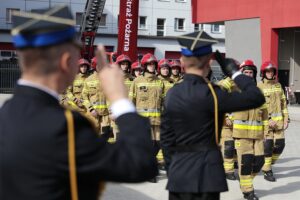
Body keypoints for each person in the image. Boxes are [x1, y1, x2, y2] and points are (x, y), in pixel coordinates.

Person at [0, 6, 157, 200]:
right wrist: (119, 99)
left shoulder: (6, 113)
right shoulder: (65, 126)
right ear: (66, 62)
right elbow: (140, 164)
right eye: (77, 57)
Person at [160, 30, 265, 200]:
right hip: (207, 173)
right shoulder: (214, 95)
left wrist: (175, 168)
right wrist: (235, 73)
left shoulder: (173, 93)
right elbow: (256, 97)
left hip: (179, 173)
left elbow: (166, 139)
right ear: (209, 61)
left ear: (182, 61)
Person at [232, 60, 268, 200]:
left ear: (254, 74)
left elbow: (264, 113)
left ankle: (244, 180)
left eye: (250, 72)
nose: (248, 74)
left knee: (260, 161)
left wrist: (265, 132)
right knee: (246, 163)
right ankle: (248, 191)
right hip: (241, 135)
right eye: (245, 72)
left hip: (258, 134)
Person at [129, 53, 165, 182]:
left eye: (153, 64)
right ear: (145, 66)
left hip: (157, 120)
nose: (151, 66)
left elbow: (164, 101)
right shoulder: (137, 81)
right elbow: (131, 100)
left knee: (158, 144)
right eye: (149, 64)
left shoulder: (160, 82)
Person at [257, 61, 289, 182]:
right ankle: (267, 169)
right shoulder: (259, 87)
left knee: (280, 145)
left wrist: (286, 119)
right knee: (268, 146)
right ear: (263, 72)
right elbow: (259, 107)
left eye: (272, 71)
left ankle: (268, 162)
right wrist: (268, 120)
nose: (270, 73)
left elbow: (283, 103)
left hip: (279, 124)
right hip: (266, 124)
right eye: (267, 71)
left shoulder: (278, 85)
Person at [81, 56, 112, 139]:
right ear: (95, 66)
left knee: (105, 136)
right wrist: (91, 109)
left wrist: (111, 111)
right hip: (93, 114)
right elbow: (84, 97)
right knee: (92, 137)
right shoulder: (88, 80)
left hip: (105, 114)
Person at [217, 76, 239, 180]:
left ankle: (234, 164)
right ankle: (228, 171)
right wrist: (225, 117)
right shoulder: (223, 84)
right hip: (226, 123)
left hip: (238, 122)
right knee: (228, 146)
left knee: (236, 146)